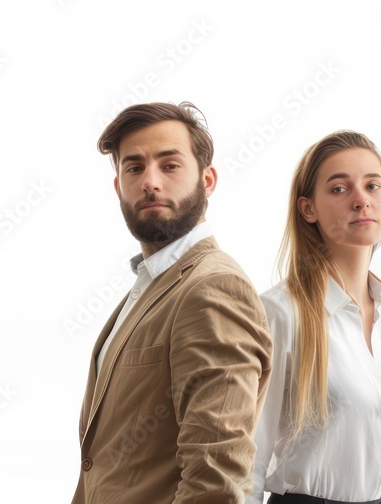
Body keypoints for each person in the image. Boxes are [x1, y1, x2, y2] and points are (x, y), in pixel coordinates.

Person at [71, 101, 273, 504]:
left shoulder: (213, 288)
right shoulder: (150, 286)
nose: (150, 181)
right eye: (134, 167)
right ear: (118, 187)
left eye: (170, 165)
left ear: (208, 179)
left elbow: (216, 477)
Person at [249, 131, 381, 504]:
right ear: (308, 209)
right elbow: (248, 456)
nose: (361, 200)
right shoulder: (280, 312)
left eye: (373, 186)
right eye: (339, 189)